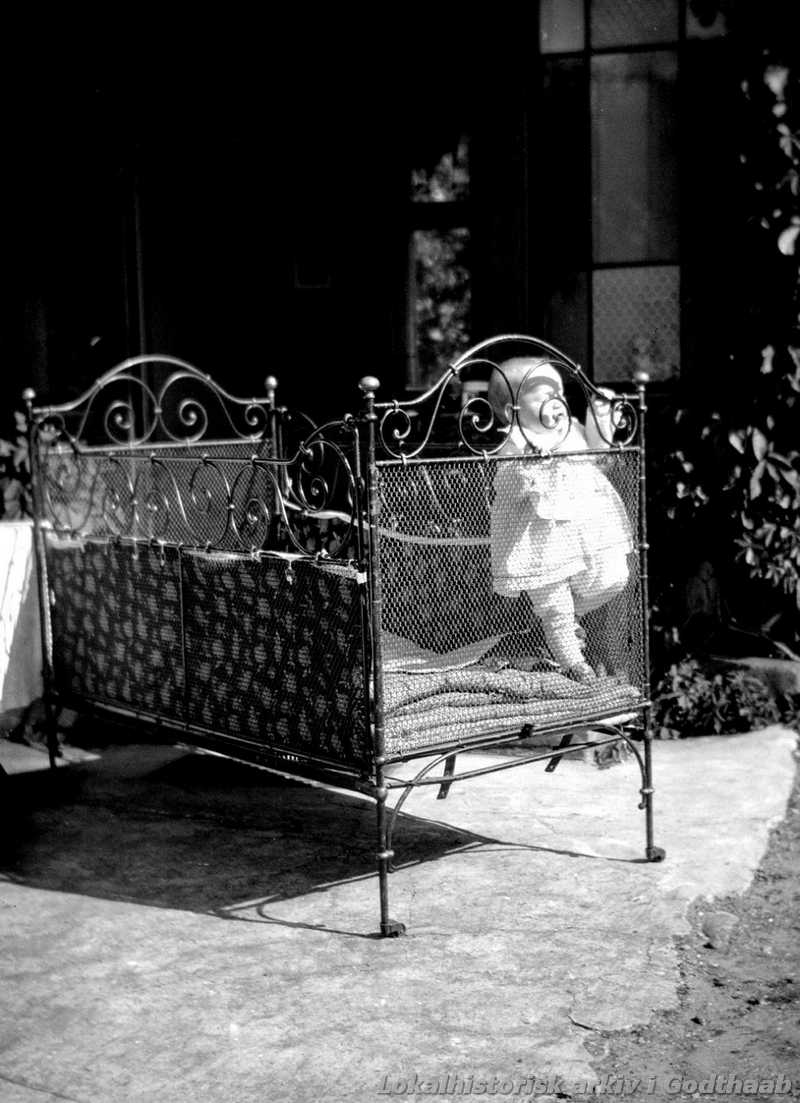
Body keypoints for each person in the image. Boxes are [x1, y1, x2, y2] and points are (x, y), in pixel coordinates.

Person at [488, 356, 633, 681]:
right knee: (554, 605)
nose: (556, 401)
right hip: (537, 543)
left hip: (585, 535)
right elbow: (507, 488)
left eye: (559, 393)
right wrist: (528, 469)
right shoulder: (517, 441)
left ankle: (564, 620)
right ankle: (573, 663)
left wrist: (599, 417)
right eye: (543, 395)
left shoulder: (572, 430)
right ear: (512, 410)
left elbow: (599, 452)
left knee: (614, 576)